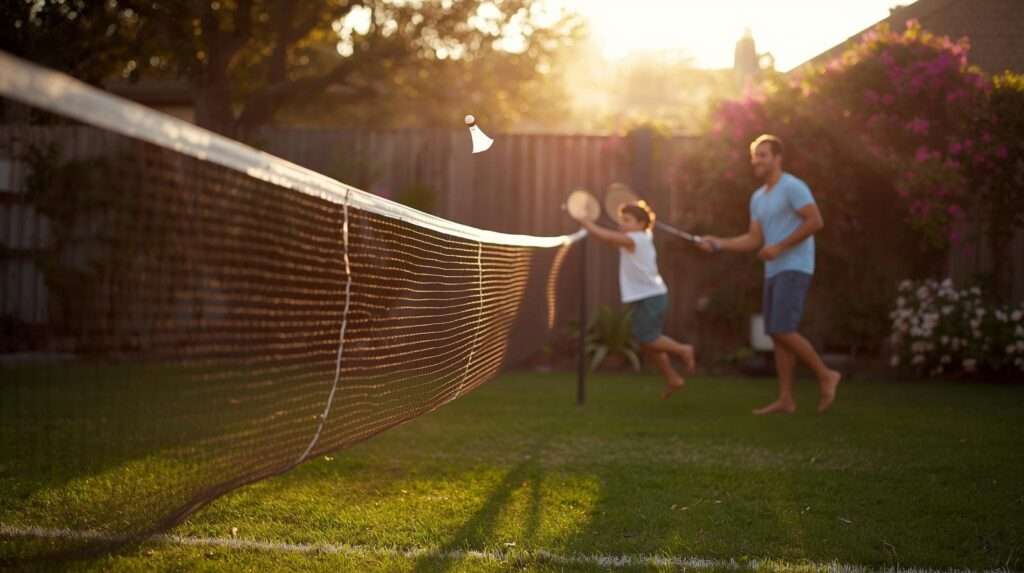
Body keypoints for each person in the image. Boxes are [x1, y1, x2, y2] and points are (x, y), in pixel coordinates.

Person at [701, 134, 840, 414]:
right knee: (776, 334)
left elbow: (816, 221)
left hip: (795, 265)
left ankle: (826, 374)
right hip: (774, 269)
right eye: (754, 155)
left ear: (778, 158)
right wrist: (719, 242)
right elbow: (754, 239)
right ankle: (786, 399)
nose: (756, 160)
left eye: (762, 154)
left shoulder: (793, 186)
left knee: (781, 329)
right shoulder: (758, 198)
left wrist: (780, 246)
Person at [575, 201, 696, 399]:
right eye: (621, 220)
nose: (621, 224)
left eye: (627, 220)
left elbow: (607, 236)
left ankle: (683, 349)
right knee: (648, 342)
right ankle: (673, 378)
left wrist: (587, 224)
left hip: (651, 297)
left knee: (647, 338)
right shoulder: (639, 237)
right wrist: (593, 228)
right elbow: (609, 240)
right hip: (646, 297)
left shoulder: (637, 239)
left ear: (641, 224)